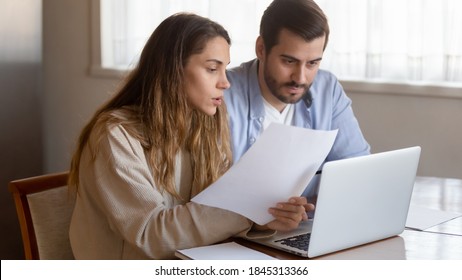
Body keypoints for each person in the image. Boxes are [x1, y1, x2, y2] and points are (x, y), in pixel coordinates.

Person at [67, 13, 309, 260]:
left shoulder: (206, 123)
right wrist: (245, 212)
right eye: (212, 68)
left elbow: (219, 208)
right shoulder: (115, 136)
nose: (225, 83)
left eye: (224, 69)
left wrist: (264, 217)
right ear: (173, 70)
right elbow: (150, 234)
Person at [225, 0, 370, 199]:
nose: (300, 78)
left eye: (312, 63)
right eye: (289, 61)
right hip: (240, 230)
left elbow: (357, 171)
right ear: (261, 49)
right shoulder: (221, 94)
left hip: (307, 225)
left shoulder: (327, 89)